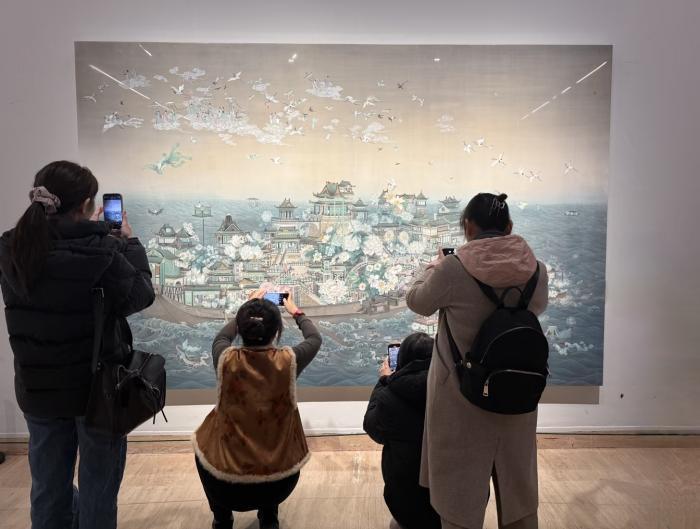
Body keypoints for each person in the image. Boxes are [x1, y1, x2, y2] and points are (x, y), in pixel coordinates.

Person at [0, 161, 155, 529]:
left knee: (47, 487)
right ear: (87, 204)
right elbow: (141, 294)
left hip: (38, 389)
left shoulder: (11, 248)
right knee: (98, 488)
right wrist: (129, 242)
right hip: (96, 392)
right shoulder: (102, 252)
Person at [406, 193, 549, 529]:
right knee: (518, 495)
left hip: (461, 399)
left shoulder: (453, 269)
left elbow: (417, 301)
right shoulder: (536, 270)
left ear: (468, 227)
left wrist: (428, 270)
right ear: (509, 227)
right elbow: (537, 308)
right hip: (517, 393)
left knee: (458, 501)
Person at [193, 289, 322, 529]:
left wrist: (247, 309)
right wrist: (296, 311)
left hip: (223, 485)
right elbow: (314, 339)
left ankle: (222, 518)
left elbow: (221, 338)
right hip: (279, 482)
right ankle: (269, 516)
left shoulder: (224, 358)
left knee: (204, 438)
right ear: (276, 331)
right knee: (270, 443)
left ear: (242, 328)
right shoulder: (288, 361)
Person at [363, 332, 441, 529]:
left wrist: (383, 381)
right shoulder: (454, 390)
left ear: (401, 361)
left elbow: (372, 427)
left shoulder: (389, 395)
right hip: (453, 503)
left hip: (407, 505)